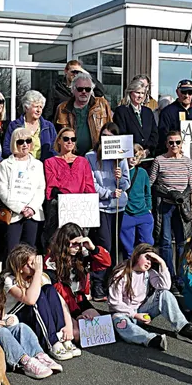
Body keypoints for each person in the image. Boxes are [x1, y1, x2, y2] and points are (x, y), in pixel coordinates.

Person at [0, 273, 60, 379]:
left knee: (21, 327)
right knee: (2, 332)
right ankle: (24, 361)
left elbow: (3, 320)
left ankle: (39, 355)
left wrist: (9, 320)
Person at [108, 244, 192, 349]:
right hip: (124, 314)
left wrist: (162, 263)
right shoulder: (121, 274)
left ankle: (182, 328)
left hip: (142, 311)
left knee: (164, 293)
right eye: (147, 258)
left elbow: (165, 286)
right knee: (119, 321)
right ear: (137, 255)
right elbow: (114, 303)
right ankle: (150, 339)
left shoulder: (149, 273)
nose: (149, 262)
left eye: (151, 260)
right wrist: (135, 315)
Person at [4, 244, 78, 361]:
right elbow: (30, 300)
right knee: (37, 297)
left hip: (36, 314)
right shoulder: (8, 279)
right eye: (31, 263)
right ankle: (52, 342)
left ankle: (62, 337)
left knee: (49, 289)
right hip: (15, 317)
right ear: (20, 267)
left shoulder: (40, 277)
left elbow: (60, 302)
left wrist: (68, 327)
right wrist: (38, 272)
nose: (35, 266)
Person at [45, 223, 112, 342]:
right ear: (64, 242)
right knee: (77, 334)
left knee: (99, 329)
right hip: (63, 303)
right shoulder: (51, 261)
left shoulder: (82, 256)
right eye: (74, 243)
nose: (77, 247)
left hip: (80, 299)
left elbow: (105, 263)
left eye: (79, 244)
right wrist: (77, 316)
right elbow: (58, 292)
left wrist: (93, 248)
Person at [85, 122, 129, 294]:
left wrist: (120, 177)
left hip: (118, 207)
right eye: (104, 136)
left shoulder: (121, 157)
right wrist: (108, 193)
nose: (107, 140)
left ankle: (113, 280)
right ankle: (98, 281)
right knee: (104, 244)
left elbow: (126, 183)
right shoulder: (90, 156)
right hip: (101, 206)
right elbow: (91, 182)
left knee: (117, 245)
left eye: (111, 137)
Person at [150, 130, 192, 279]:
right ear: (166, 144)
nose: (174, 145)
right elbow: (150, 183)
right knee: (165, 242)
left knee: (182, 241)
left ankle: (181, 277)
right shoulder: (159, 160)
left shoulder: (187, 161)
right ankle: (168, 275)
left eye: (177, 142)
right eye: (171, 142)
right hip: (165, 205)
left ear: (182, 144)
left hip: (183, 206)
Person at [43, 126, 96, 245]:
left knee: (79, 242)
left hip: (81, 206)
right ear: (59, 140)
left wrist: (90, 204)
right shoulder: (50, 162)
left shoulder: (83, 161)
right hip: (60, 206)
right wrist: (67, 201)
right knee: (59, 242)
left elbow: (89, 185)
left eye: (73, 139)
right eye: (66, 139)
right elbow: (52, 185)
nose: (70, 142)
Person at [0, 127, 46, 255]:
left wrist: (32, 208)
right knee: (12, 250)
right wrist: (20, 208)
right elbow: (2, 190)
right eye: (20, 142)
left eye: (28, 141)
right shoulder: (5, 164)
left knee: (30, 251)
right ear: (14, 143)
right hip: (13, 214)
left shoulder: (38, 164)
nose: (25, 145)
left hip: (33, 214)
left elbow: (40, 188)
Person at [53, 71, 112, 159]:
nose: (84, 92)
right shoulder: (62, 108)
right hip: (71, 158)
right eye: (80, 89)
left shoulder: (102, 104)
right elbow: (56, 135)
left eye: (87, 89)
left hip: (96, 157)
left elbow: (112, 130)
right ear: (73, 90)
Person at [120, 145, 154, 258]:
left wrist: (149, 208)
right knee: (128, 248)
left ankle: (145, 264)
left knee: (147, 243)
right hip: (126, 213)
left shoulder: (142, 172)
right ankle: (129, 266)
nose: (134, 159)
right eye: (131, 156)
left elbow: (147, 193)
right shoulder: (120, 172)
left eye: (137, 157)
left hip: (143, 212)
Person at [5, 90, 57, 162]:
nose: (39, 110)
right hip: (21, 165)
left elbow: (55, 149)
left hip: (44, 166)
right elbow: (7, 149)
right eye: (36, 107)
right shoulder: (14, 125)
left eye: (41, 107)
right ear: (26, 108)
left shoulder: (49, 126)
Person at [155, 79, 192, 155]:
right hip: (173, 155)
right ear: (177, 92)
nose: (187, 95)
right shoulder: (167, 112)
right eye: (184, 92)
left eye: (190, 92)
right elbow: (163, 135)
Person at [113, 79, 158, 154]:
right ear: (130, 93)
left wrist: (147, 150)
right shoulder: (121, 111)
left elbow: (154, 134)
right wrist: (136, 150)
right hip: (130, 155)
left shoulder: (148, 112)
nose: (140, 96)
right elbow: (122, 134)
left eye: (142, 93)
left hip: (147, 156)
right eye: (137, 93)